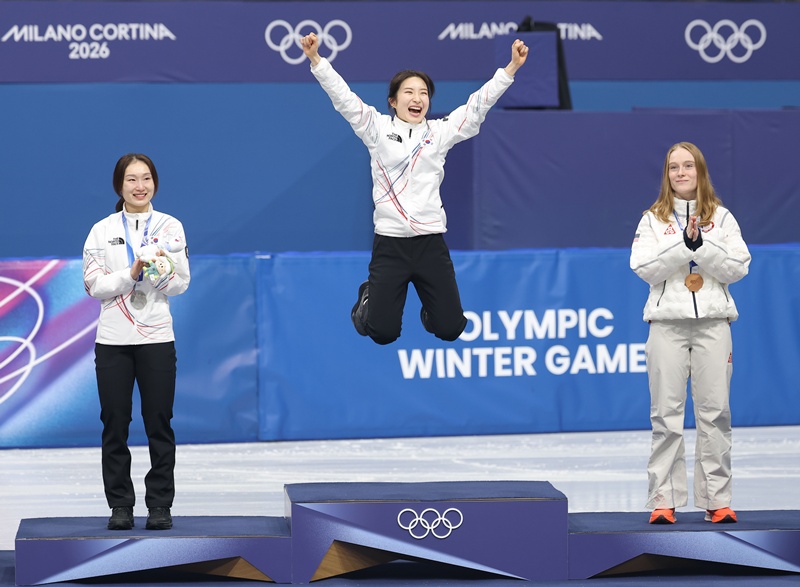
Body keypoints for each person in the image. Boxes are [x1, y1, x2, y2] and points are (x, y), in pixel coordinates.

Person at [301, 32, 528, 345]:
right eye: (408, 92)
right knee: (382, 333)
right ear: (393, 101)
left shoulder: (440, 132)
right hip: (390, 245)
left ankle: (431, 311)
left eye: (423, 93)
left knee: (450, 328)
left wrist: (511, 68)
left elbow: (477, 106)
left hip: (430, 245)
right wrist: (316, 60)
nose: (417, 98)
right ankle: (368, 298)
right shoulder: (376, 128)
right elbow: (344, 98)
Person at [630, 142, 751, 525]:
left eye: (687, 166)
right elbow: (644, 268)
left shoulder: (723, 218)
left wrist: (703, 244)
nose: (680, 173)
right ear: (666, 175)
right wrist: (684, 246)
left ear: (700, 170)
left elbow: (738, 268)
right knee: (666, 415)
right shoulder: (652, 219)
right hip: (667, 326)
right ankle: (663, 500)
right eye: (673, 168)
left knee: (715, 414)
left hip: (714, 325)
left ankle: (717, 500)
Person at [82, 154, 190, 530]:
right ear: (119, 185)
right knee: (115, 422)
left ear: (155, 183)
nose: (139, 186)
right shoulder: (101, 230)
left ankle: (160, 505)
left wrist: (160, 273)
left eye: (146, 178)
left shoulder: (170, 226)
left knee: (159, 421)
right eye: (131, 180)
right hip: (112, 340)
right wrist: (129, 274)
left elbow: (181, 283)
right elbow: (94, 285)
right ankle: (120, 506)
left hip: (157, 336)